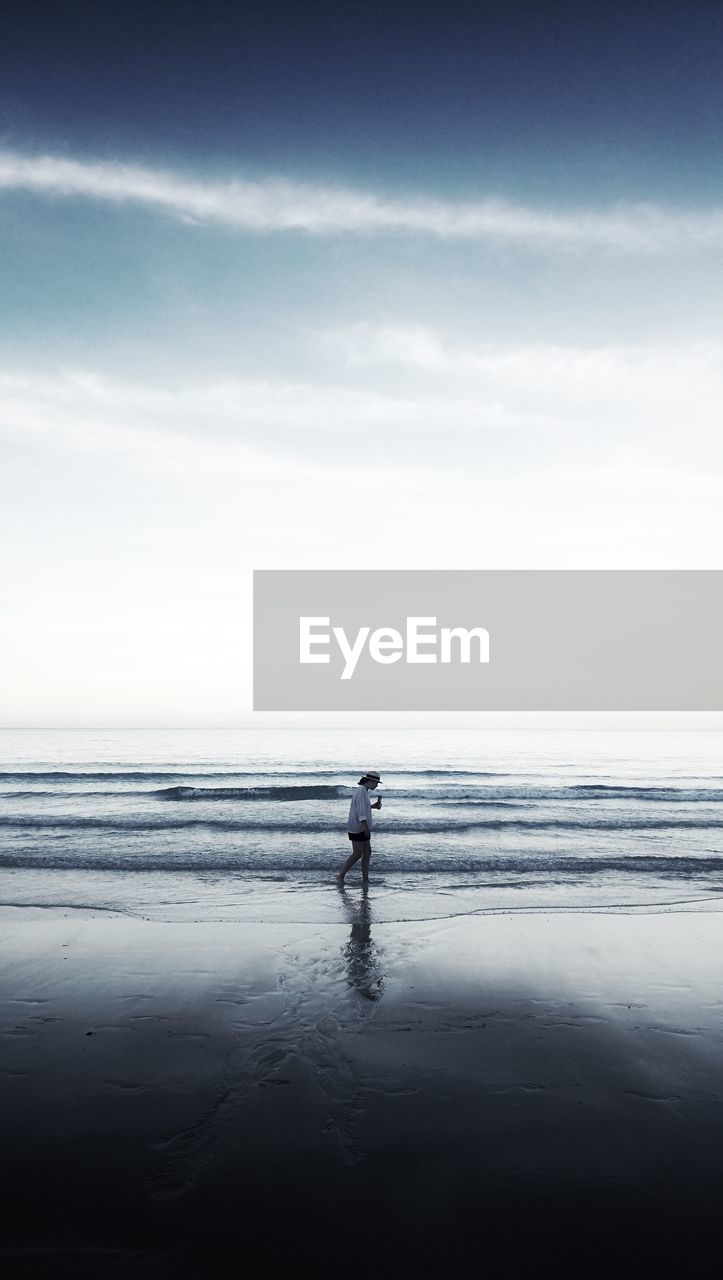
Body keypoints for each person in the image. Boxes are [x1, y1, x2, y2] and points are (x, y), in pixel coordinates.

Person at [336, 770, 382, 885]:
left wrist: (373, 806)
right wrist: (365, 827)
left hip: (361, 826)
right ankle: (340, 876)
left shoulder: (363, 791)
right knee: (357, 854)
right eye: (376, 783)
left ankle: (365, 879)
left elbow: (362, 808)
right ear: (370, 781)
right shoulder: (362, 792)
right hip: (358, 827)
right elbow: (361, 813)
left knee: (367, 852)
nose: (376, 785)